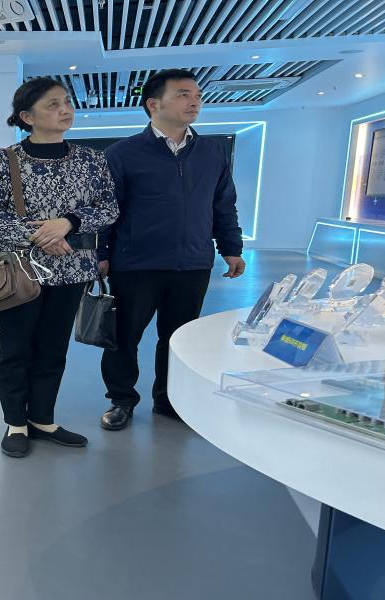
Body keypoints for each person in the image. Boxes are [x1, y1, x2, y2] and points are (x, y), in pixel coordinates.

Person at [0, 77, 118, 458]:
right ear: (27, 116)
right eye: (53, 104)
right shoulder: (1, 161)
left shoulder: (91, 160)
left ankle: (42, 419)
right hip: (19, 269)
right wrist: (39, 235)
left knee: (54, 347)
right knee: (16, 345)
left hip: (72, 269)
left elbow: (108, 208)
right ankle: (15, 423)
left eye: (66, 102)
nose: (65, 109)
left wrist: (68, 222)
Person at [97, 68, 246, 432]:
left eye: (197, 95)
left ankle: (169, 400)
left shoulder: (211, 152)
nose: (194, 102)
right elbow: (104, 210)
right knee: (123, 338)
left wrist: (231, 247)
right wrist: (101, 254)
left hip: (192, 263)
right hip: (135, 264)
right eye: (183, 94)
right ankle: (121, 400)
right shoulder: (122, 154)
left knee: (178, 338)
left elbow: (223, 205)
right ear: (154, 104)